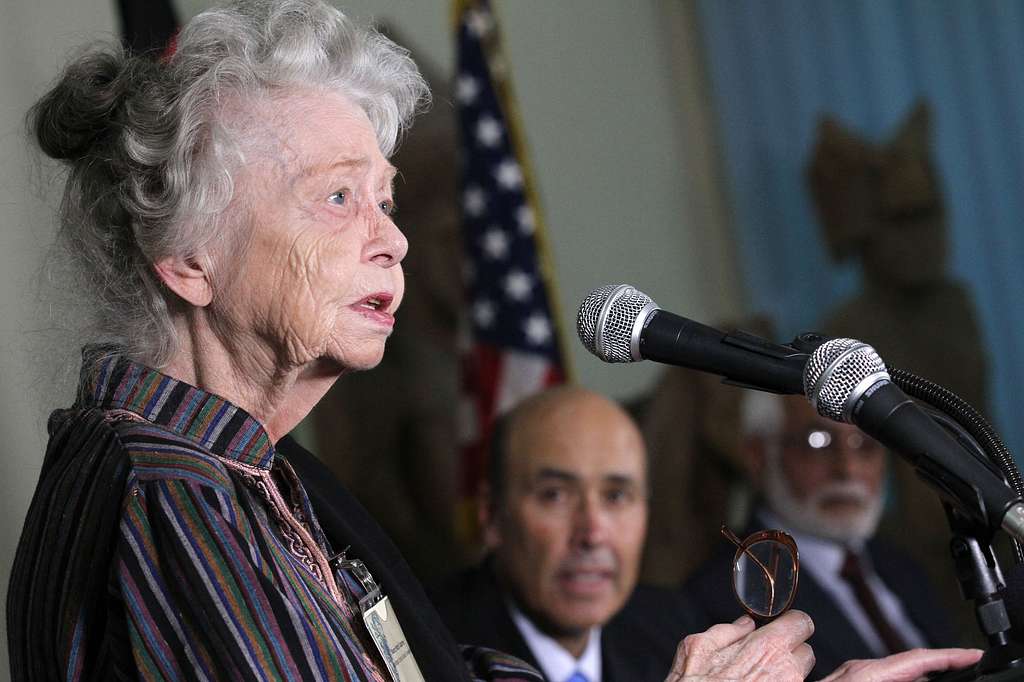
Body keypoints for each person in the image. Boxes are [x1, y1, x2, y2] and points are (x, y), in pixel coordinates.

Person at [6, 0, 981, 679]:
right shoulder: (173, 496)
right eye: (337, 198)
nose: (390, 238)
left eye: (384, 200)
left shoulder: (243, 472)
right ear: (188, 258)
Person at [683, 391, 960, 679]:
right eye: (817, 442)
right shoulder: (727, 594)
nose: (847, 469)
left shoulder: (902, 565)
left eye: (864, 444)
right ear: (758, 455)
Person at [433, 386, 701, 681]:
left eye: (616, 496)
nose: (593, 534)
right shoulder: (429, 649)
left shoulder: (674, 631)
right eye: (555, 496)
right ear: (492, 515)